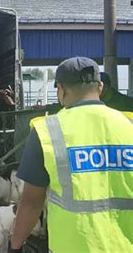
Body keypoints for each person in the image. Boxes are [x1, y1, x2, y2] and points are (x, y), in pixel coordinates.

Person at [10, 57, 133, 252]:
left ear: (62, 89)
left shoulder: (47, 131)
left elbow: (31, 204)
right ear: (100, 87)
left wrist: (15, 246)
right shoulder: (129, 125)